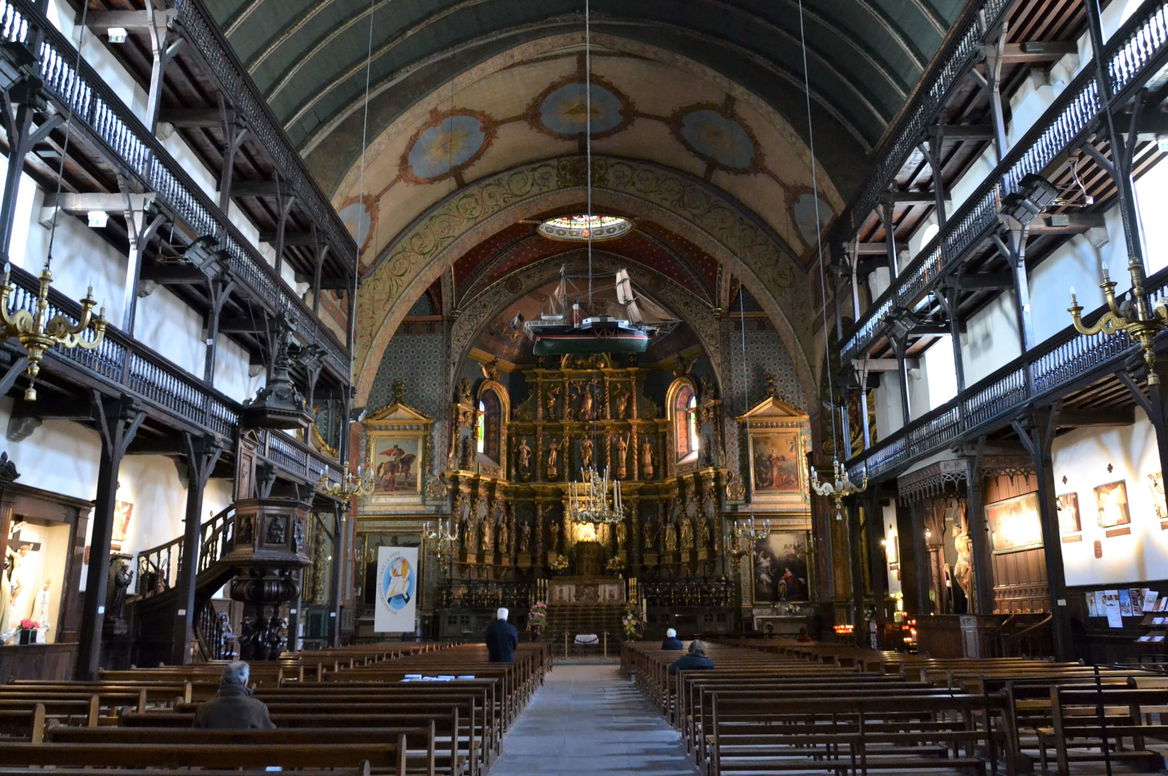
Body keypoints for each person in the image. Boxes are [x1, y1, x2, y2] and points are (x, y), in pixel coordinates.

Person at [194, 660, 276, 729]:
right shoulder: (258, 708)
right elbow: (270, 736)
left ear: (222, 681)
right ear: (245, 682)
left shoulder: (203, 709)